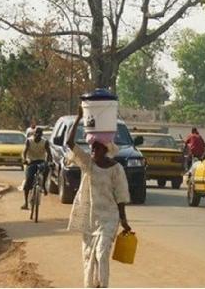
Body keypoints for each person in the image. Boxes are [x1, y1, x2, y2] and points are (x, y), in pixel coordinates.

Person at [66, 106, 132, 288]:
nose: (93, 150)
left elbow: (121, 196)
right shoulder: (87, 164)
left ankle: (103, 285)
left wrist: (124, 220)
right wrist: (78, 118)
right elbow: (69, 143)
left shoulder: (116, 169)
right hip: (90, 217)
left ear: (106, 149)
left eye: (97, 147)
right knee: (89, 256)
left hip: (108, 218)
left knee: (101, 253)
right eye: (92, 147)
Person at [21, 127, 52, 210]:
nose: (37, 136)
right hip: (31, 162)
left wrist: (49, 162)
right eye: (36, 134)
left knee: (46, 168)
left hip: (41, 161)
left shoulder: (45, 142)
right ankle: (26, 203)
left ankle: (43, 186)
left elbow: (49, 153)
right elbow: (24, 152)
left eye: (39, 134)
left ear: (41, 135)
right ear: (33, 134)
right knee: (28, 181)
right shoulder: (29, 141)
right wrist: (24, 159)